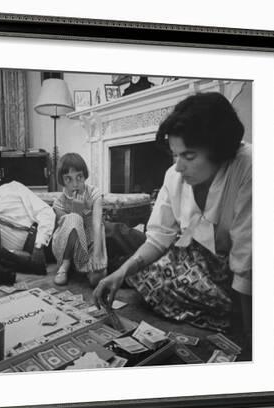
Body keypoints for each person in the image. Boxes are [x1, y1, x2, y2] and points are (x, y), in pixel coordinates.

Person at [93, 92, 252, 336]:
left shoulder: (248, 167)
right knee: (146, 275)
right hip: (194, 258)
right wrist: (122, 272)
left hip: (241, 270)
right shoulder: (173, 176)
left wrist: (252, 338)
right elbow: (159, 238)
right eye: (174, 154)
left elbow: (247, 259)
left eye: (188, 156)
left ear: (220, 150)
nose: (178, 166)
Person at [52, 153, 107, 287]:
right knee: (74, 218)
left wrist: (97, 254)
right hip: (67, 247)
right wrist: (77, 211)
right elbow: (68, 231)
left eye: (79, 177)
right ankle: (65, 266)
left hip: (90, 241)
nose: (75, 184)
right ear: (62, 180)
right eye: (68, 179)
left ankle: (83, 266)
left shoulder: (94, 193)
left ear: (84, 176)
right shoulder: (58, 203)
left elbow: (97, 224)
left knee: (97, 280)